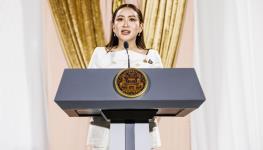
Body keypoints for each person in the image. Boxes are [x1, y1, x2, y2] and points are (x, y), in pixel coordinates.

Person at [87, 4, 163, 150]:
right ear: (114, 27)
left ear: (140, 27)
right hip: (104, 130)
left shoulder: (152, 56)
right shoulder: (100, 54)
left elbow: (161, 95)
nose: (126, 24)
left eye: (132, 19)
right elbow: (89, 90)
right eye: (120, 19)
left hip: (144, 128)